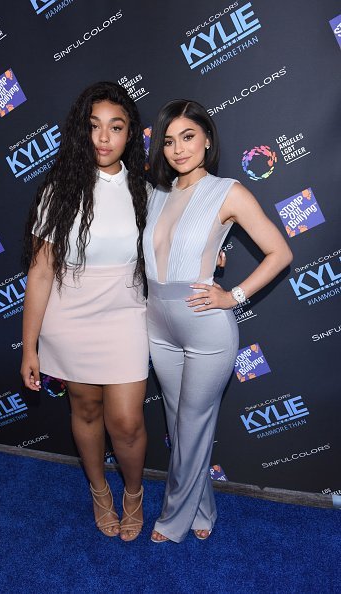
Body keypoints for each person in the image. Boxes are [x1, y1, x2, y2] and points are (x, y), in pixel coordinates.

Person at [144, 99, 293, 543]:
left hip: (205, 326)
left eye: (188, 137)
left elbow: (280, 252)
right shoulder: (155, 193)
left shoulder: (228, 191)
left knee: (191, 423)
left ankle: (172, 520)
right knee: (178, 424)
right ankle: (203, 508)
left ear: (207, 139)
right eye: (169, 141)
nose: (178, 149)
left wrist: (233, 295)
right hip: (157, 325)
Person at [21, 82, 149, 541]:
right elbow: (39, 274)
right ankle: (99, 491)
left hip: (125, 314)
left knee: (127, 422)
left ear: (130, 133)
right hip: (70, 317)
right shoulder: (60, 190)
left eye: (115, 127)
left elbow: (177, 240)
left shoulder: (145, 190)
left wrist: (213, 253)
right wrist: (29, 346)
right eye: (94, 127)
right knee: (87, 409)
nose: (103, 137)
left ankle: (133, 492)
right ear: (82, 131)